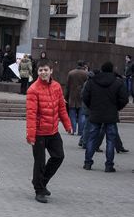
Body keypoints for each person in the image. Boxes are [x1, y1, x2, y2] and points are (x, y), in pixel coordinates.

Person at [26, 59, 72, 203]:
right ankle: (39, 190)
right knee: (39, 162)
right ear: (37, 72)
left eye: (46, 70)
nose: (43, 72)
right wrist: (31, 135)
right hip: (39, 133)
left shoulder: (57, 87)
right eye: (40, 70)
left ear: (51, 71)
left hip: (53, 131)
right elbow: (31, 114)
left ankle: (40, 182)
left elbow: (61, 108)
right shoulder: (33, 90)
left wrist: (67, 124)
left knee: (59, 156)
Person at [82, 61, 129, 173]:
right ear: (112, 69)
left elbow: (85, 96)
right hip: (111, 115)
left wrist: (92, 106)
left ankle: (88, 163)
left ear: (102, 69)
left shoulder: (92, 81)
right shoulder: (118, 82)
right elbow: (124, 99)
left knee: (92, 138)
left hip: (95, 113)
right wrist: (116, 107)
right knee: (110, 141)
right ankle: (109, 165)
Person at [66, 61, 89, 136]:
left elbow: (67, 86)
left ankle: (73, 129)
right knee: (81, 115)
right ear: (83, 65)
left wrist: (66, 97)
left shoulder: (71, 73)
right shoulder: (86, 74)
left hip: (72, 96)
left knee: (72, 114)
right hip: (82, 97)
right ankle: (80, 131)